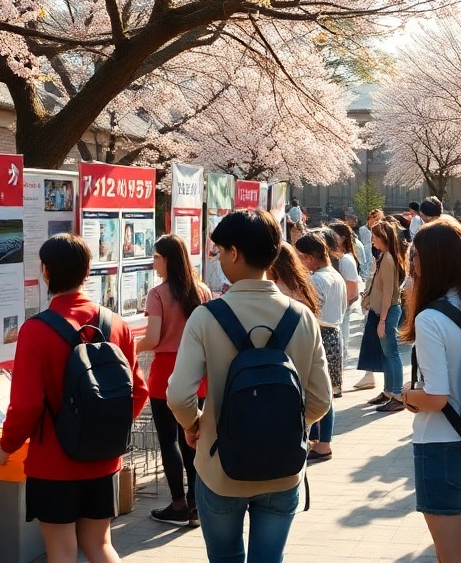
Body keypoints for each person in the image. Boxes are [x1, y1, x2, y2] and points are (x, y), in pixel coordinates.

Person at [166, 209, 331, 563]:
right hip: (282, 468)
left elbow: (179, 395)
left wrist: (196, 425)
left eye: (220, 250)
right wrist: (282, 426)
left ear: (235, 253)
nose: (219, 258)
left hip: (220, 466)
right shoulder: (302, 317)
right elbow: (320, 400)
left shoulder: (206, 317)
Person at [0, 235, 148, 563]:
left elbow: (26, 405)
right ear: (88, 271)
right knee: (100, 544)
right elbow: (140, 390)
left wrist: (5, 447)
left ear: (46, 272)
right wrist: (104, 430)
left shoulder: (36, 331)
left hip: (53, 462)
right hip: (104, 459)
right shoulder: (117, 325)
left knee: (62, 551)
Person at [398, 220, 461, 563]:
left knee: (454, 558)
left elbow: (437, 396)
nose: (412, 264)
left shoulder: (430, 317)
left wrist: (408, 395)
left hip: (441, 447)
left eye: (415, 257)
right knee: (460, 553)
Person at [136, 234, 211, 527]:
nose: (153, 263)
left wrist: (131, 345)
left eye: (156, 257)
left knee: (169, 440)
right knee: (192, 437)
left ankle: (178, 503)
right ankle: (196, 504)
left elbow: (153, 338)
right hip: (197, 372)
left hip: (166, 372)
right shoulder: (202, 291)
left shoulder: (157, 294)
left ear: (166, 259)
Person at [296, 232, 347, 461]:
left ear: (309, 257)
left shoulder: (317, 280)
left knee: (318, 391)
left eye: (301, 257)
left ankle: (322, 442)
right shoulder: (335, 276)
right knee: (327, 390)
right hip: (334, 333)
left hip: (320, 334)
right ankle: (321, 440)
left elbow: (308, 310)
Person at [364, 219, 407, 412]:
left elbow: (389, 292)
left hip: (387, 312)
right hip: (383, 311)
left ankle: (397, 393)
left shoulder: (388, 258)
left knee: (391, 353)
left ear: (383, 238)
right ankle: (389, 391)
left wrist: (382, 320)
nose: (372, 240)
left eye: (374, 236)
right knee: (387, 353)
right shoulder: (385, 256)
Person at [328, 221, 362, 378]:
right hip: (333, 313)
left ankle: (338, 380)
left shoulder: (346, 260)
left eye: (331, 235)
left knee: (341, 348)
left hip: (342, 314)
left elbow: (353, 292)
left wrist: (342, 308)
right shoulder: (332, 259)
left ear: (341, 238)